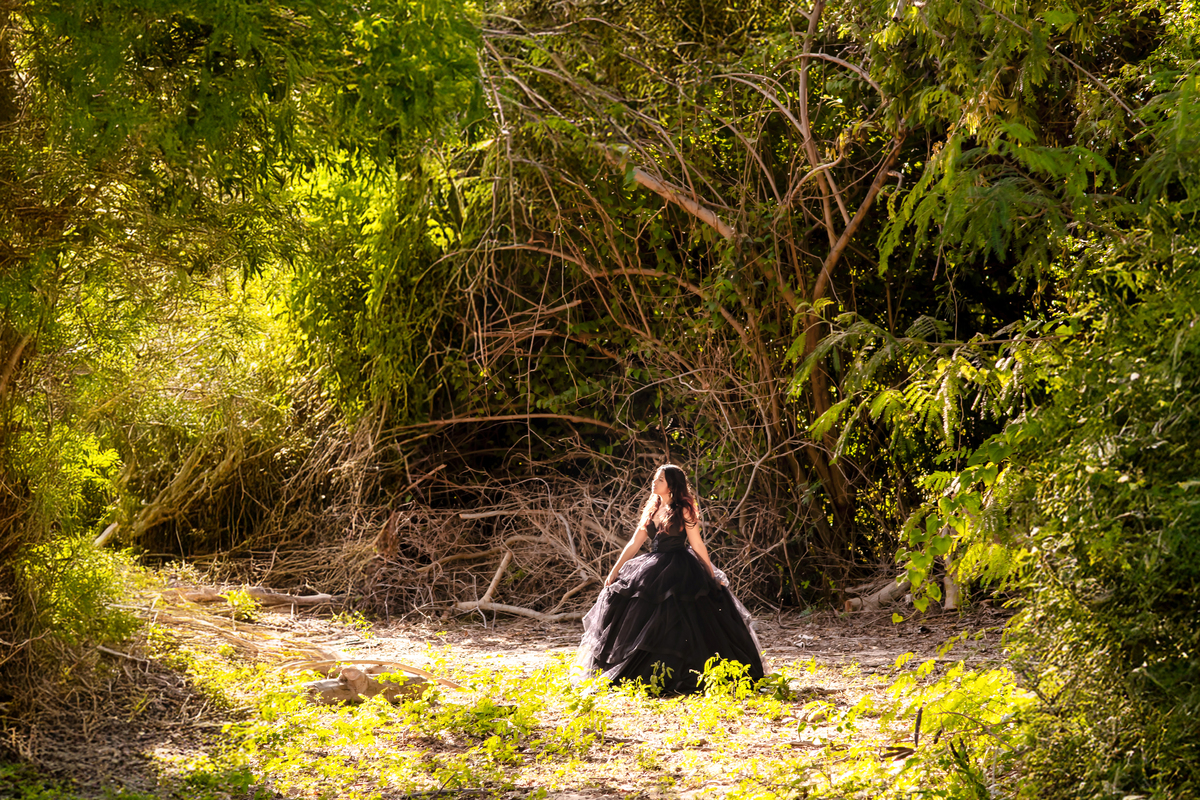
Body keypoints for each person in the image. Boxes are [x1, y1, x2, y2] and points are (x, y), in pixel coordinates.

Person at [577, 464, 764, 695]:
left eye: (660, 480)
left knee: (685, 619)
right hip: (652, 567)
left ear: (672, 485)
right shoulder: (652, 508)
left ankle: (685, 672)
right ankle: (642, 672)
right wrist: (615, 570)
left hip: (681, 568)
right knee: (637, 611)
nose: (654, 483)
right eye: (655, 479)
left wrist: (711, 573)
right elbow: (634, 543)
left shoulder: (684, 509)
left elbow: (696, 544)